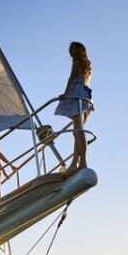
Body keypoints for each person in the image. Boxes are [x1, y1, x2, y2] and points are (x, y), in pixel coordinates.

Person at [54, 41, 93, 170]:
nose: (70, 50)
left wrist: (65, 94)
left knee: (79, 131)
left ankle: (82, 163)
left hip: (77, 94)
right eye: (70, 48)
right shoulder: (87, 64)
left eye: (73, 48)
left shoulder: (76, 60)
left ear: (78, 50)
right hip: (85, 94)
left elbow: (71, 78)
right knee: (77, 132)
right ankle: (75, 162)